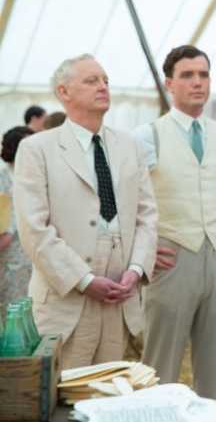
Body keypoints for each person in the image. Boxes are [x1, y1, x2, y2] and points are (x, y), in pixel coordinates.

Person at [13, 54, 157, 369]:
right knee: (63, 392)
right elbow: (34, 229)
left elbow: (147, 216)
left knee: (111, 390)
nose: (103, 86)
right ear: (63, 92)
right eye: (91, 81)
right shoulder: (36, 149)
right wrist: (84, 279)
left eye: (105, 80)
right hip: (65, 302)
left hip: (120, 299)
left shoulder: (130, 146)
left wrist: (136, 269)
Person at [134, 45, 216, 401]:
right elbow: (127, 202)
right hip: (170, 260)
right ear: (169, 84)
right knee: (159, 366)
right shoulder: (147, 136)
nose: (197, 82)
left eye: (203, 75)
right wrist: (139, 252)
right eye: (187, 75)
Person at [0, 126, 34, 310]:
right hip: (10, 250)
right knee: (12, 304)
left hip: (32, 249)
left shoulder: (35, 174)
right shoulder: (3, 176)